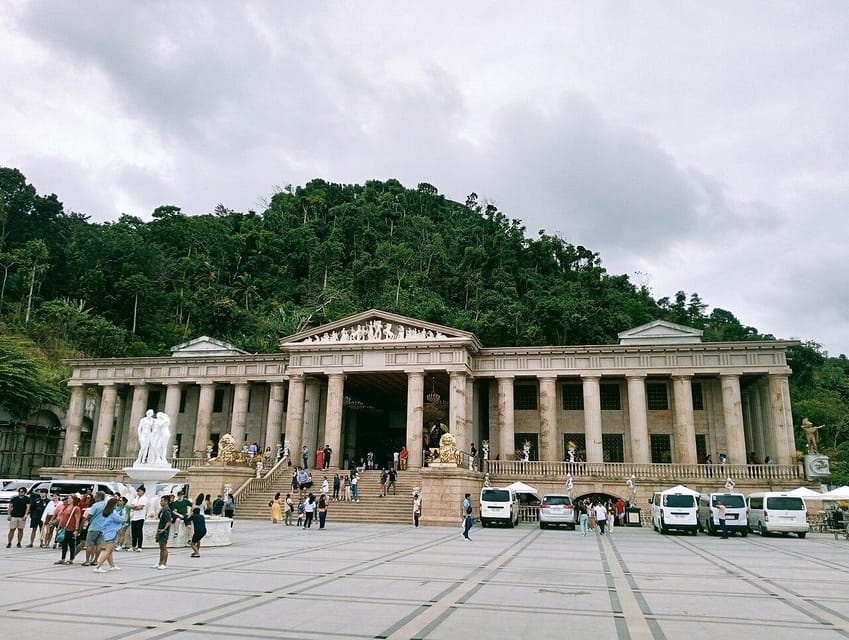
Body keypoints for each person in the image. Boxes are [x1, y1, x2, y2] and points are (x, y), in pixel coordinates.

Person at [93, 497, 125, 572]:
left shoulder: (106, 512)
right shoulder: (113, 513)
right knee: (108, 551)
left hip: (107, 532)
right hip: (112, 533)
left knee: (109, 551)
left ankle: (112, 566)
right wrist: (123, 512)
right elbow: (121, 519)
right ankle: (98, 566)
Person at [81, 491, 107, 567]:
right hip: (102, 528)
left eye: (96, 496)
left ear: (99, 497)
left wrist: (87, 520)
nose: (95, 498)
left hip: (94, 527)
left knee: (90, 544)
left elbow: (90, 515)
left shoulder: (95, 505)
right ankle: (95, 560)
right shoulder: (106, 505)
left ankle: (87, 561)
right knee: (98, 544)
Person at [54, 494, 81, 565]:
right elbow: (61, 517)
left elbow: (77, 519)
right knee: (64, 544)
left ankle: (71, 559)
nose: (67, 500)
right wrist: (59, 526)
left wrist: (76, 529)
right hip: (63, 528)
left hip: (71, 528)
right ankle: (62, 558)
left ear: (73, 500)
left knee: (71, 544)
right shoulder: (65, 507)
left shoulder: (76, 508)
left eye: (69, 498)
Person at [155, 495, 172, 569]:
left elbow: (169, 521)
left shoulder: (167, 510)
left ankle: (164, 563)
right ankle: (160, 562)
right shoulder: (163, 509)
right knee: (161, 547)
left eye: (162, 501)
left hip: (164, 532)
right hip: (160, 530)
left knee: (164, 547)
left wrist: (164, 529)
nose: (160, 502)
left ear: (166, 501)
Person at [130, 486, 148, 552]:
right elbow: (131, 506)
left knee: (139, 532)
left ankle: (139, 547)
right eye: (137, 491)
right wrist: (135, 507)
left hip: (140, 517)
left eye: (139, 491)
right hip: (134, 517)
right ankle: (133, 546)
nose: (138, 492)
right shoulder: (136, 498)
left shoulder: (144, 498)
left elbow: (140, 507)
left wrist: (135, 507)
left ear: (143, 491)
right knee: (133, 533)